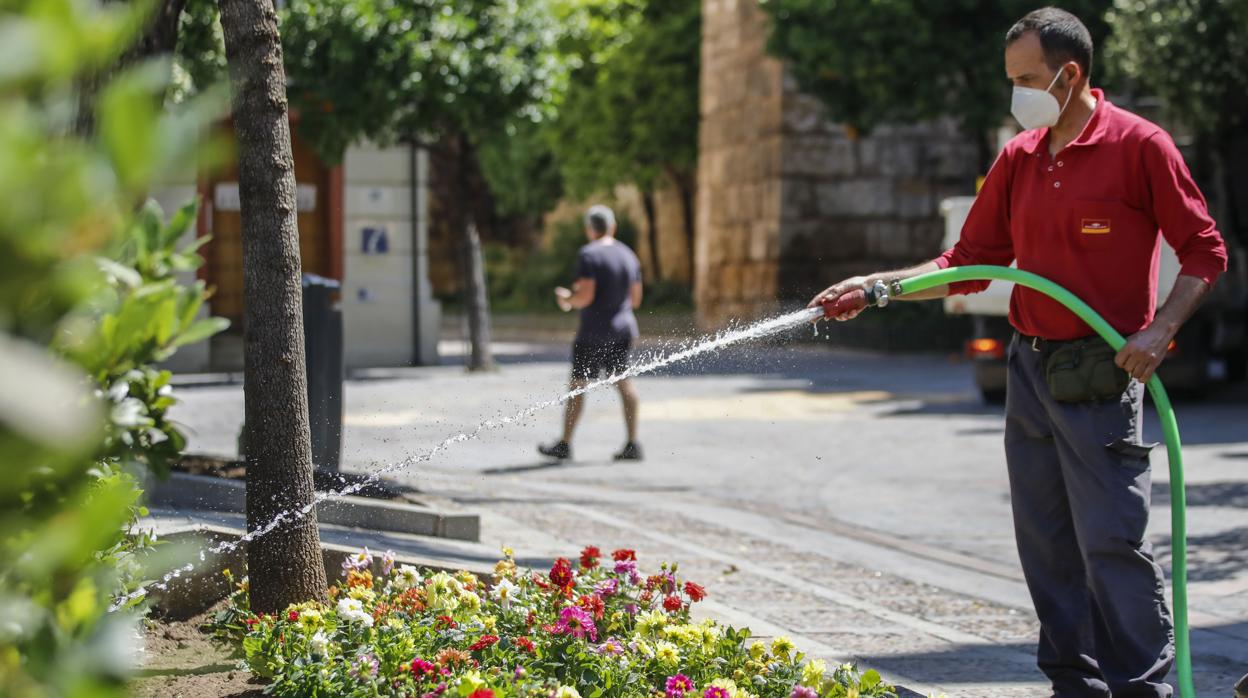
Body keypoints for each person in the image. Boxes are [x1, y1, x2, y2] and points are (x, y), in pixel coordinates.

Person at [809, 8, 1227, 697]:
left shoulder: (1139, 146)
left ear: (1071, 74)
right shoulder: (1020, 156)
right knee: (1046, 544)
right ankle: (1074, 684)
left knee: (1111, 543)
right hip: (1030, 370)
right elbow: (968, 262)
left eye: (1028, 79)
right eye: (1011, 80)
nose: (1017, 95)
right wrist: (876, 286)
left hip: (1099, 372)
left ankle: (1143, 687)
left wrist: (1159, 331)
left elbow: (1205, 252)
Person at [538, 204, 644, 461]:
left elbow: (585, 296)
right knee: (624, 383)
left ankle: (565, 444)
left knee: (577, 386)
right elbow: (637, 299)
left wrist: (567, 300)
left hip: (594, 332)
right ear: (613, 227)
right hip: (623, 329)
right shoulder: (629, 255)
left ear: (589, 229)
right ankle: (632, 443)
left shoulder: (589, 255)